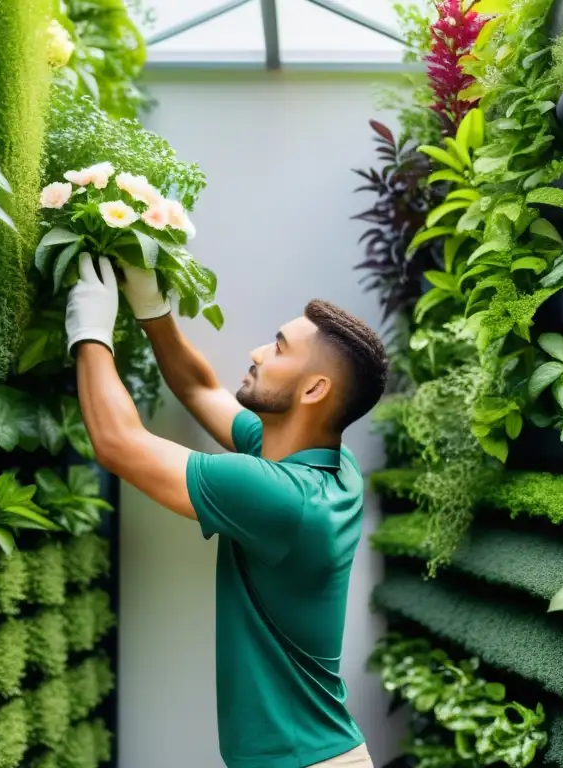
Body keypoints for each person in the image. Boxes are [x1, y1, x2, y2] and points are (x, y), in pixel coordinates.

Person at [65, 253, 389, 768]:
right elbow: (200, 389)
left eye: (279, 348)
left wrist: (89, 330)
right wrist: (152, 310)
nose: (258, 352)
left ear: (313, 389)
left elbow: (117, 443)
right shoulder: (329, 467)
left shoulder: (282, 498)